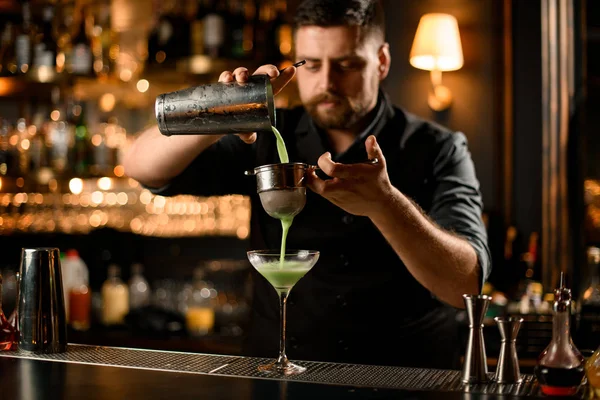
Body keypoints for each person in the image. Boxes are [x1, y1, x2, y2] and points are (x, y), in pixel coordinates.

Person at [123, 0, 491, 369]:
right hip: (280, 377)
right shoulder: (266, 132)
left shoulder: (438, 147)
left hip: (404, 378)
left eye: (347, 64)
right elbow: (141, 165)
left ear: (381, 61)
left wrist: (386, 203)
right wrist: (225, 111)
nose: (327, 83)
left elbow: (465, 285)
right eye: (312, 65)